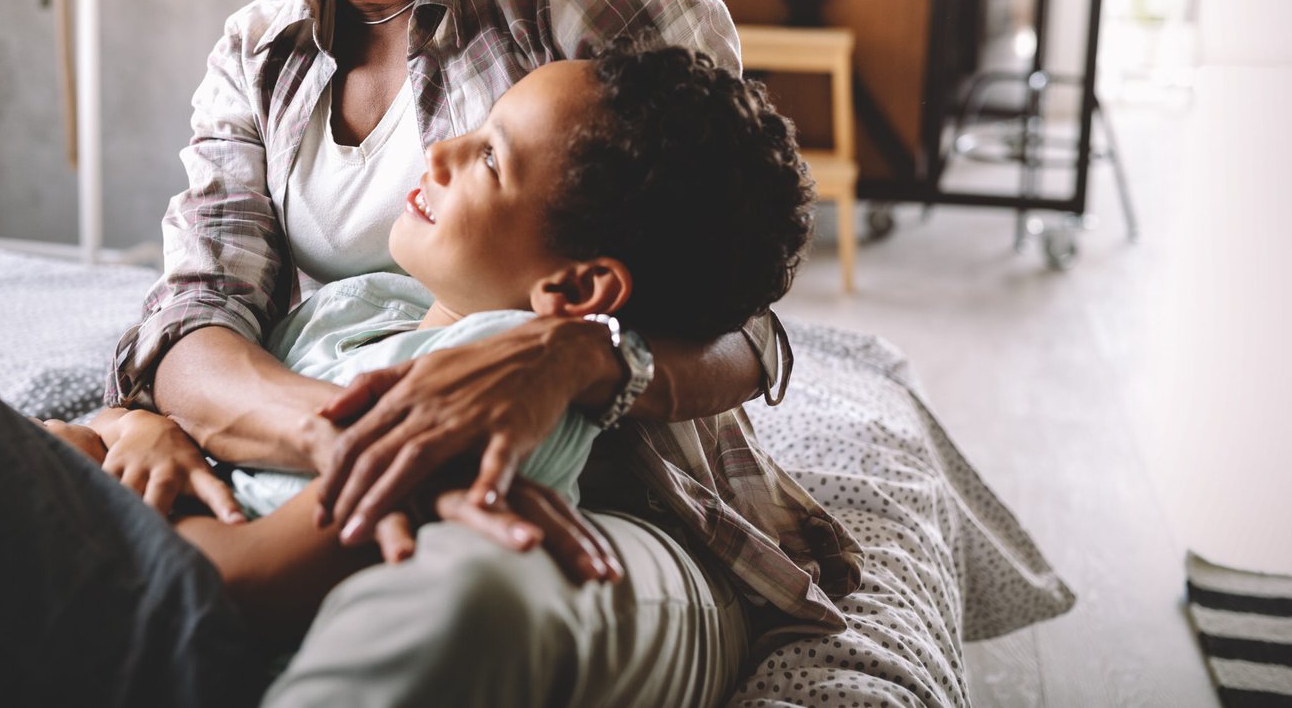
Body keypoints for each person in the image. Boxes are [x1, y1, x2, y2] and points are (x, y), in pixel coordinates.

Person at [25, 0, 861, 705]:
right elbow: (196, 325)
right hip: (331, 482)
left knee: (463, 584)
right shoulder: (253, 64)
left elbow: (745, 311)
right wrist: (377, 440)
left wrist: (577, 362)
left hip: (610, 512)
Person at [48, 45, 824, 652]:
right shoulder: (369, 306)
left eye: (490, 157)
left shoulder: (496, 404)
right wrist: (138, 429)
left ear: (580, 290)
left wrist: (97, 481)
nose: (441, 149)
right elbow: (170, 390)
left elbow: (243, 587)